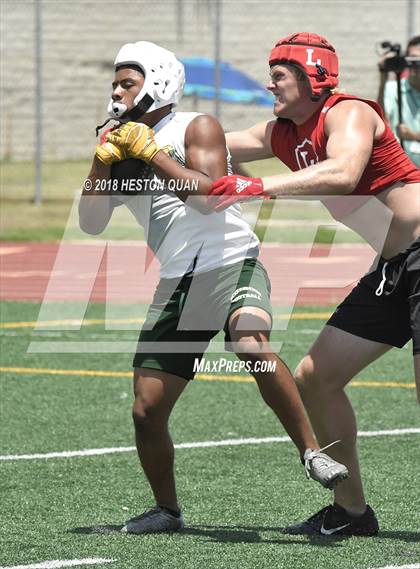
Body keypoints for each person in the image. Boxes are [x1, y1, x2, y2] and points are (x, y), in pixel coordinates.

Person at [78, 40, 348, 535]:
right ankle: (167, 510)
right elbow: (91, 222)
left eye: (126, 81)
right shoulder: (121, 142)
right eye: (115, 82)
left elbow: (209, 199)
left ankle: (312, 452)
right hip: (178, 280)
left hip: (229, 262)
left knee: (249, 343)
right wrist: (101, 163)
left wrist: (153, 155)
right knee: (146, 409)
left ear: (156, 82)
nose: (115, 91)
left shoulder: (194, 126)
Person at [209, 32, 420, 536]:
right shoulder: (280, 132)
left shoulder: (348, 113)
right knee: (315, 377)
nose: (270, 84)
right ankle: (351, 512)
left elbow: (345, 172)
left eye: (279, 75)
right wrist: (140, 139)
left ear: (312, 77)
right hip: (393, 268)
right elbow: (208, 140)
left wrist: (256, 185)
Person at [377, 35, 420, 167]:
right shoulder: (393, 88)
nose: (416, 64)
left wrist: (413, 135)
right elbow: (380, 117)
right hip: (403, 173)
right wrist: (383, 76)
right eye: (412, 58)